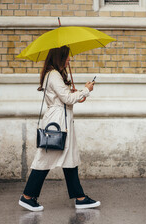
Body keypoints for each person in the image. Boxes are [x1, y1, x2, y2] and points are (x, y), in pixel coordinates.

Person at [18, 46, 100, 212]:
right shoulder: (53, 75)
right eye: (67, 56)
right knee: (45, 157)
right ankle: (27, 197)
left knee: (70, 158)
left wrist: (78, 94)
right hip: (57, 122)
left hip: (63, 119)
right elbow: (66, 98)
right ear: (60, 57)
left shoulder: (55, 74)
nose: (70, 59)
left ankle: (80, 198)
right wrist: (86, 90)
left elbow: (65, 98)